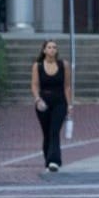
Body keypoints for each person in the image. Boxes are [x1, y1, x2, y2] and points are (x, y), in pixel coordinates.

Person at [28, 40, 73, 172]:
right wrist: (37, 99)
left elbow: (67, 86)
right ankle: (48, 159)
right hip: (43, 102)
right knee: (47, 133)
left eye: (54, 47)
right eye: (49, 47)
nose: (52, 50)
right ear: (44, 50)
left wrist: (69, 105)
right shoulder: (38, 66)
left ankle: (54, 161)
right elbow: (34, 85)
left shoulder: (64, 65)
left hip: (60, 102)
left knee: (54, 131)